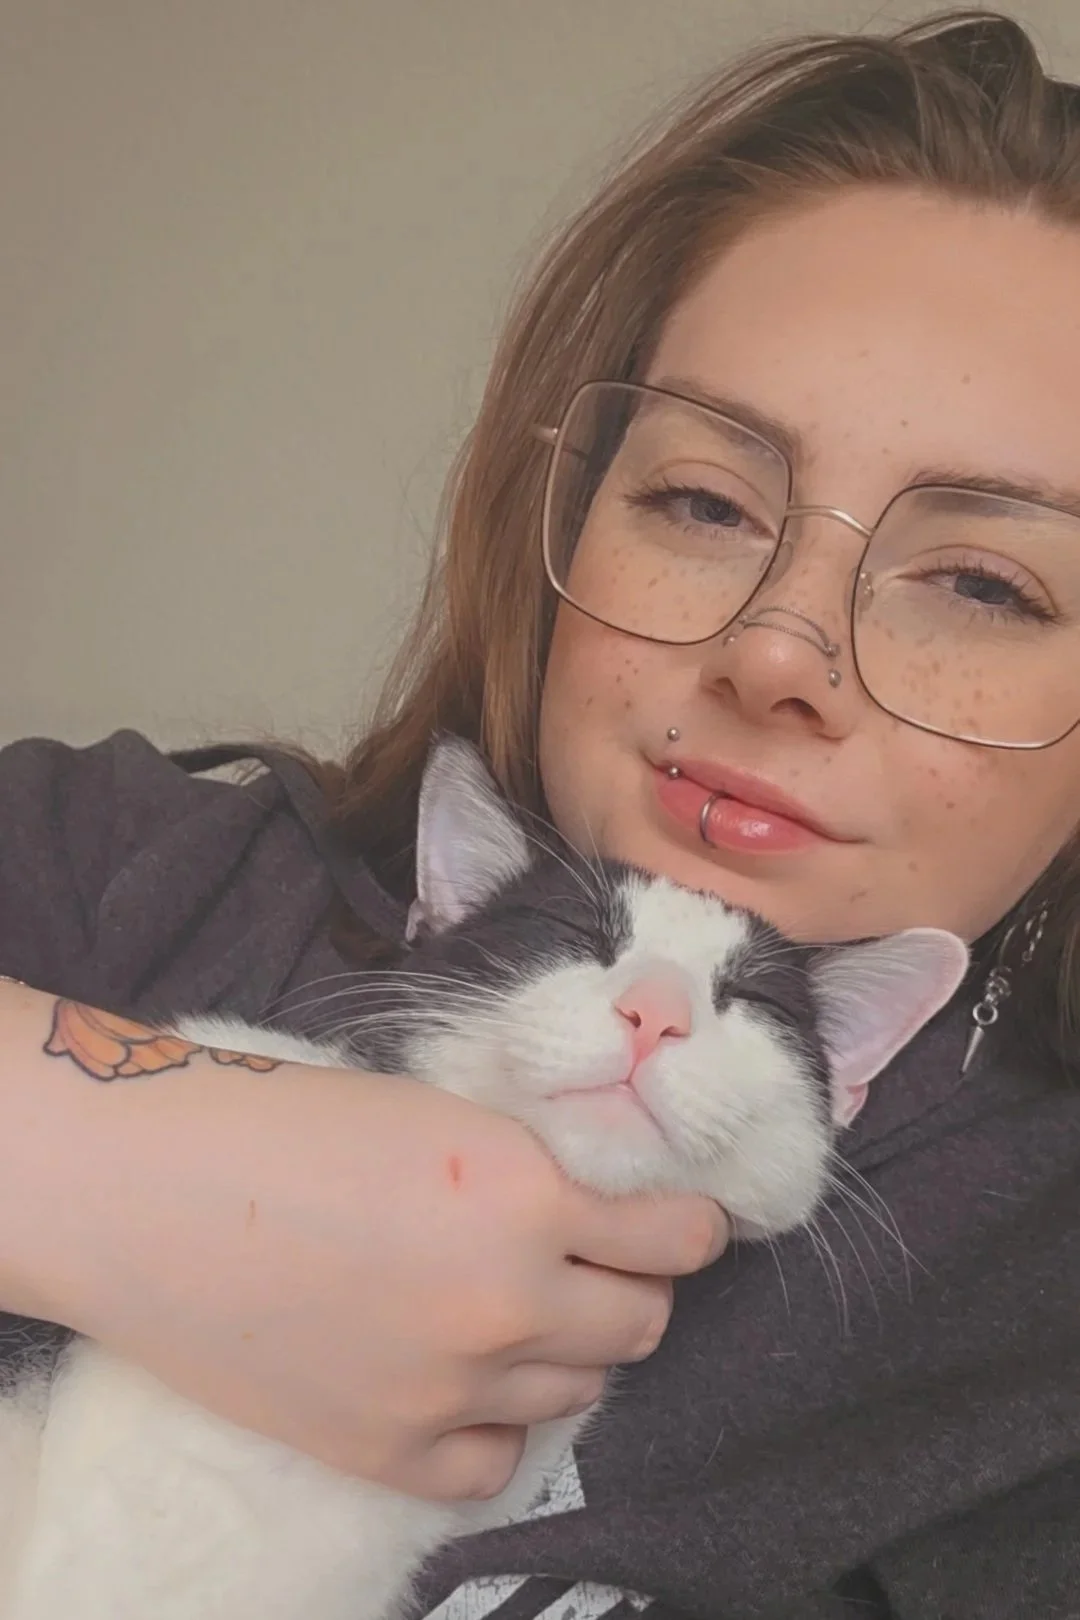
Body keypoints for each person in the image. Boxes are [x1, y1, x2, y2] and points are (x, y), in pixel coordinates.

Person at [1, 7, 1078, 1615]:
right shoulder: (124, 869)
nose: (779, 653)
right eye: (704, 500)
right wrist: (88, 1161)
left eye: (984, 584)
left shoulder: (1035, 1305)